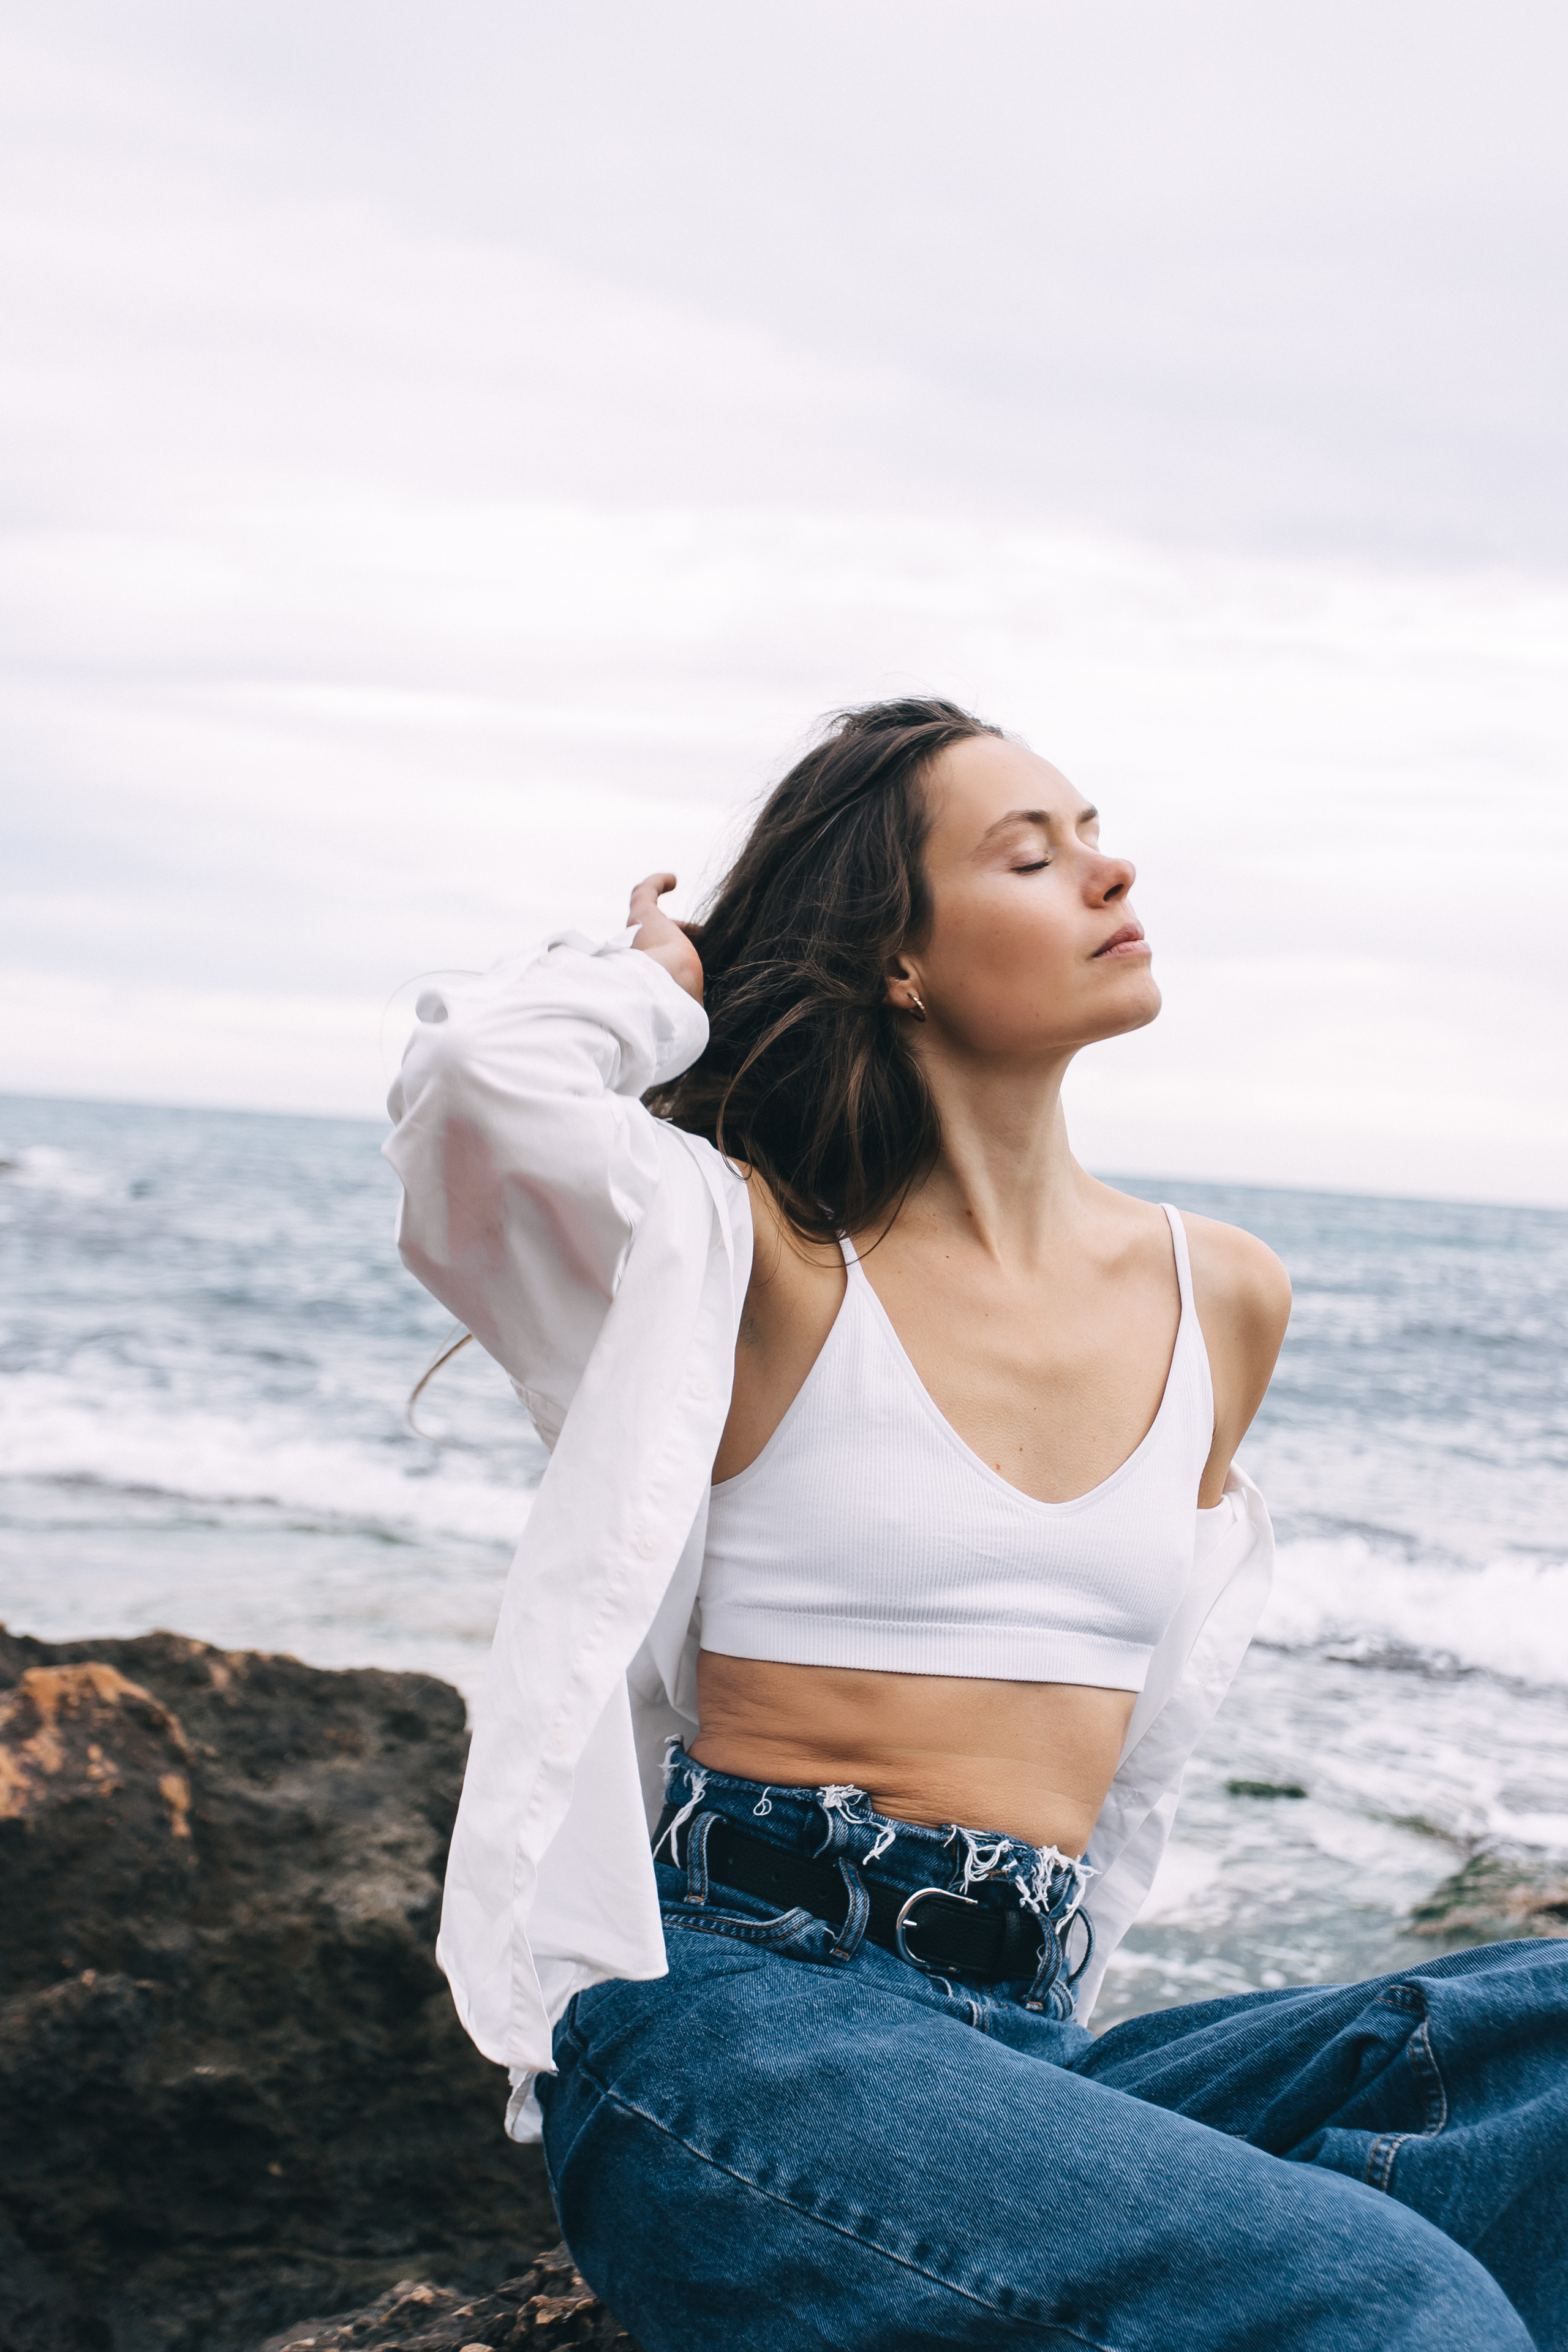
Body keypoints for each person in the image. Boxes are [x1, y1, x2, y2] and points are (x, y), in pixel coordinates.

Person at [385, 698, 1564, 2351]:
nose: (1108, 868)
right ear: (897, 962)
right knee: (1389, 2301)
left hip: (1026, 2059)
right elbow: (474, 1088)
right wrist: (663, 979)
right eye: (1032, 853)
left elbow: (1130, 1763)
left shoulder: (1218, 1294)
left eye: (1094, 830)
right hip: (737, 2036)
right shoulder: (757, 1262)